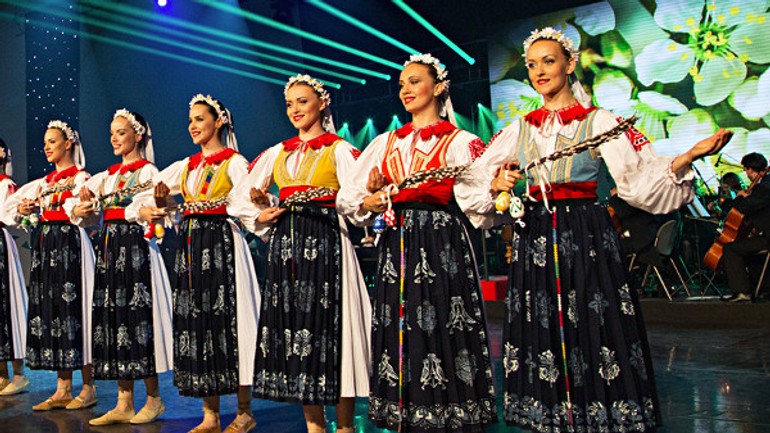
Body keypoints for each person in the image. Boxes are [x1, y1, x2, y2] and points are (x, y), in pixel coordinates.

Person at [456, 27, 731, 432]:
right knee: (543, 328)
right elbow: (474, 179)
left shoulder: (600, 121)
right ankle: (550, 417)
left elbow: (637, 180)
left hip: (583, 231)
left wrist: (687, 155)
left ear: (570, 64)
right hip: (535, 233)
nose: (538, 71)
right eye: (531, 65)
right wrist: (495, 185)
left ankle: (598, 415)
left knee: (592, 326)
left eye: (548, 61)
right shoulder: (520, 128)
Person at [337, 54, 496, 433]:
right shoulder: (385, 143)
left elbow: (481, 199)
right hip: (398, 242)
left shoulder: (462, 141)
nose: (404, 90)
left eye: (414, 81)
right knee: (401, 325)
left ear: (439, 87)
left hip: (442, 241)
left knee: (447, 321)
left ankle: (454, 413)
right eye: (402, 83)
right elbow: (350, 196)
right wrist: (370, 200)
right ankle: (408, 414)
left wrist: (499, 190)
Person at [229, 74, 371, 433]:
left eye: (302, 101)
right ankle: (313, 426)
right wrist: (262, 209)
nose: (294, 109)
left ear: (322, 103)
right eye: (290, 103)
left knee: (334, 332)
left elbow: (356, 200)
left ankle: (344, 425)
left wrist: (357, 199)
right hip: (289, 245)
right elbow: (239, 197)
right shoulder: (278, 151)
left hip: (327, 242)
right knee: (300, 333)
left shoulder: (339, 149)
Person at [129, 94, 259, 433]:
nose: (193, 126)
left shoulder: (235, 162)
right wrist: (156, 204)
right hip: (192, 246)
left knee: (233, 323)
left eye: (200, 119)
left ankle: (244, 411)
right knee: (200, 326)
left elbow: (247, 201)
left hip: (223, 245)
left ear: (218, 122)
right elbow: (145, 198)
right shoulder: (186, 166)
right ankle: (210, 415)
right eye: (190, 121)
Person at [67, 109, 172, 425]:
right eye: (112, 132)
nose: (114, 138)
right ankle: (124, 401)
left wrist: (142, 211)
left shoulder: (149, 173)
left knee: (140, 319)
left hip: (137, 249)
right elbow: (78, 208)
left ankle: (154, 399)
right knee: (114, 320)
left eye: (121, 132)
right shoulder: (108, 176)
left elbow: (154, 209)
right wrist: (83, 204)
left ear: (137, 135)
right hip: (111, 249)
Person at [3, 120, 97, 410]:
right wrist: (23, 209)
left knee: (77, 310)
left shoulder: (82, 178)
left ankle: (89, 386)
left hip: (71, 244)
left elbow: (91, 212)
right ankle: (63, 387)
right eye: (45, 142)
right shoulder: (43, 183)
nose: (46, 146)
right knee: (54, 312)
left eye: (52, 141)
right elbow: (10, 210)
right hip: (47, 246)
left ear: (68, 144)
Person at [0, 138, 29, 396]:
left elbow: (12, 216)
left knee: (7, 304)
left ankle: (18, 373)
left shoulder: (6, 185)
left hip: (0, 244)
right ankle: (1, 374)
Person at [722, 152, 770, 303]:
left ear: (750, 169)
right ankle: (762, 289)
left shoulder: (764, 187)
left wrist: (738, 199)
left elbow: (745, 208)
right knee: (747, 247)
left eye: (745, 170)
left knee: (731, 248)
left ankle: (742, 291)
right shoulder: (765, 184)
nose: (746, 174)